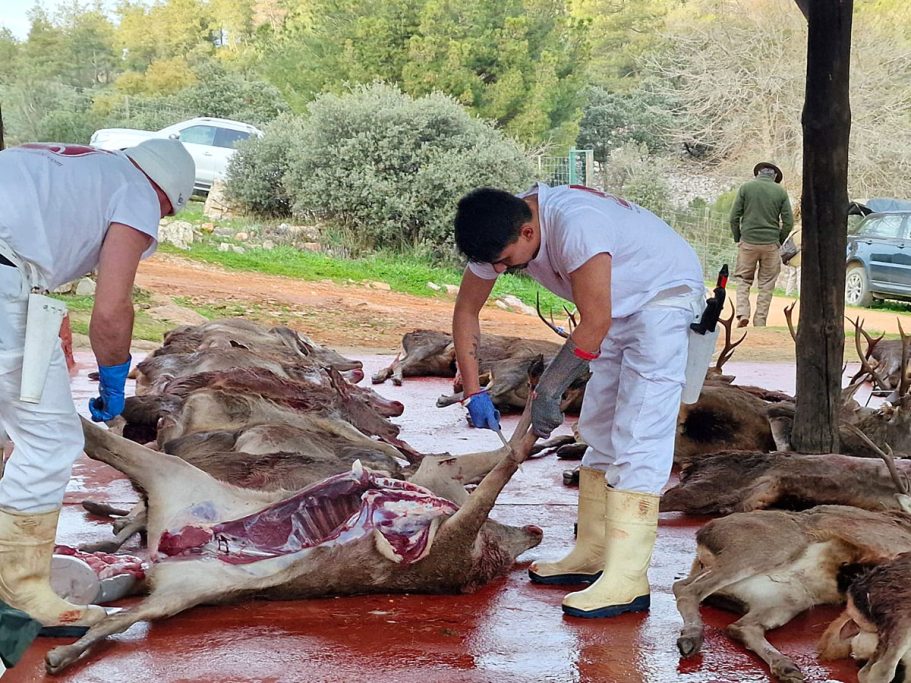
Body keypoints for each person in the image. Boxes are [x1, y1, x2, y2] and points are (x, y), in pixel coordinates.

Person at [452, 184, 704, 619]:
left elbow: (595, 321)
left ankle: (628, 579)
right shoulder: (498, 228)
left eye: (506, 261)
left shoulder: (577, 225)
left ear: (529, 232)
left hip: (663, 298)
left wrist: (548, 389)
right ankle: (593, 552)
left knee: (640, 430)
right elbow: (466, 311)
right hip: (616, 308)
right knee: (599, 425)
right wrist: (474, 390)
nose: (499, 269)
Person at [0, 139, 194, 634]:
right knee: (49, 441)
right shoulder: (138, 193)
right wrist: (113, 378)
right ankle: (19, 593)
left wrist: (39, 303)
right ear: (167, 199)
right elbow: (111, 311)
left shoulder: (74, 163)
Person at [729, 162, 794, 327]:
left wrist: (738, 237)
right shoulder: (780, 192)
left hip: (748, 243)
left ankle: (743, 313)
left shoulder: (746, 188)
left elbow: (733, 217)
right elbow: (788, 222)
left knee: (744, 280)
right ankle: (760, 321)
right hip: (771, 245)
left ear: (758, 174)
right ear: (774, 177)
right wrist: (779, 239)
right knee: (766, 285)